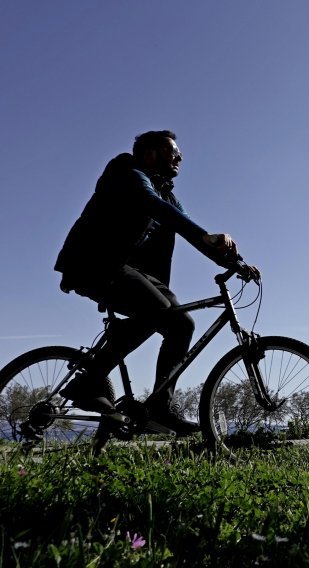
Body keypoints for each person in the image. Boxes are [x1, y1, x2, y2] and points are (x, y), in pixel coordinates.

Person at [54, 130, 256, 435]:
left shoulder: (167, 194)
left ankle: (160, 407)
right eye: (172, 152)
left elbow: (190, 232)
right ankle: (88, 382)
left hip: (128, 269)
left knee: (182, 324)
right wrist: (206, 234)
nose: (179, 158)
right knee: (158, 311)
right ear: (149, 153)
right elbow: (151, 204)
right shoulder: (126, 171)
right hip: (93, 263)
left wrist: (235, 263)